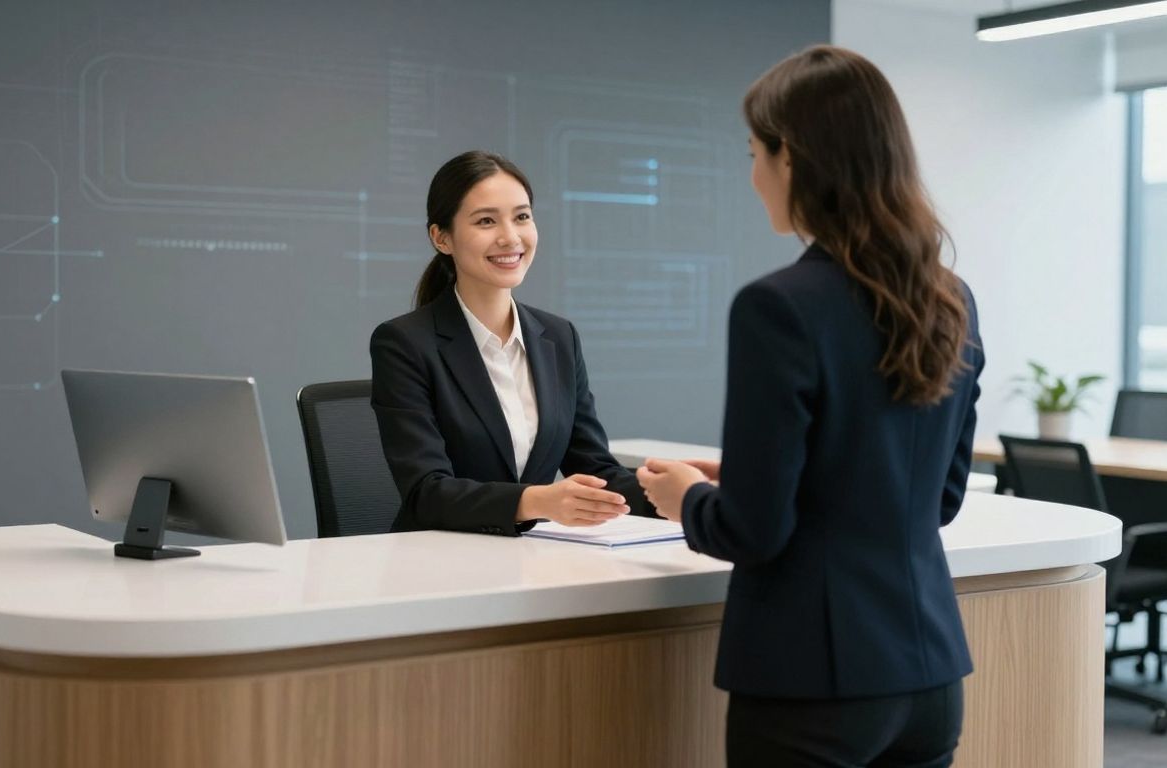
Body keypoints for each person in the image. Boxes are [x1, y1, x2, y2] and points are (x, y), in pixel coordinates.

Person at [637, 45, 983, 767]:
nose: (753, 173)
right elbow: (934, 497)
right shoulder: (951, 301)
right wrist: (750, 473)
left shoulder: (778, 307)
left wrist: (689, 499)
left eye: (754, 151)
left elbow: (754, 534)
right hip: (926, 674)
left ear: (790, 157)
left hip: (810, 684)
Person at [370, 150, 651, 536]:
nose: (510, 237)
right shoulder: (404, 343)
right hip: (436, 560)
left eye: (522, 217)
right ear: (442, 238)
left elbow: (596, 471)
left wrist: (681, 494)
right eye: (486, 221)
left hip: (526, 557)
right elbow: (426, 492)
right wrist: (537, 501)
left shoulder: (558, 338)